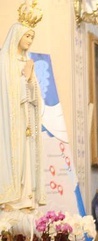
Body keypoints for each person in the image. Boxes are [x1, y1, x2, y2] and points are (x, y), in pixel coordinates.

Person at [0, 1, 45, 211]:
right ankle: (10, 198)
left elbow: (36, 99)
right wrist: (23, 79)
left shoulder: (27, 63)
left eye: (32, 37)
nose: (30, 40)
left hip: (25, 120)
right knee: (11, 156)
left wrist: (28, 79)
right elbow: (6, 93)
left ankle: (25, 199)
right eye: (27, 36)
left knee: (26, 157)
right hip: (9, 122)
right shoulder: (4, 62)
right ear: (17, 35)